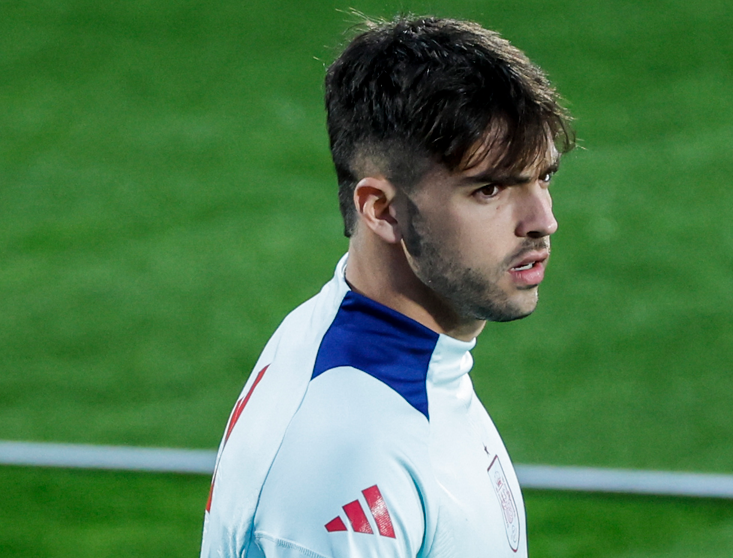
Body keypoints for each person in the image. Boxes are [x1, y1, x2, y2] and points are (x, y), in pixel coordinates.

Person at [200, 15, 573, 558]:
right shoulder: (350, 462)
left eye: (543, 177)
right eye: (489, 189)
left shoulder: (389, 352)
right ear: (381, 209)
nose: (542, 220)